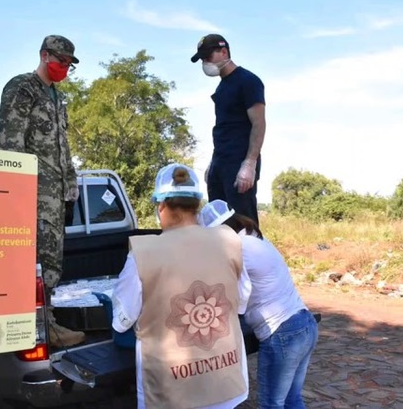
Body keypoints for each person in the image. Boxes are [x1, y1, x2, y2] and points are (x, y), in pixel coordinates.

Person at [111, 163, 251, 409]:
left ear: (161, 205)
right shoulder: (229, 240)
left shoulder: (143, 253)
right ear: (197, 205)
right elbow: (241, 303)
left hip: (170, 391)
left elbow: (122, 319)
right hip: (225, 383)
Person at [0, 34, 85, 348]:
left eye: (68, 64)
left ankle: (47, 325)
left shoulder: (58, 97)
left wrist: (71, 185)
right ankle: (41, 331)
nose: (64, 67)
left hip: (56, 195)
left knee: (52, 262)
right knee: (39, 265)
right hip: (33, 193)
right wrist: (17, 193)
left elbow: (64, 147)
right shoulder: (23, 87)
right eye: (61, 61)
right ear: (45, 55)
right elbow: (10, 142)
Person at [199, 199, 319, 409]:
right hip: (304, 323)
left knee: (271, 404)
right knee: (292, 400)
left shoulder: (237, 247)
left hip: (282, 332)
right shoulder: (256, 238)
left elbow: (242, 293)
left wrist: (225, 316)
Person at [190, 34, 266, 225]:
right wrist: (213, 163)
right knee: (218, 223)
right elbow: (224, 129)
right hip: (220, 162)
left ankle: (250, 256)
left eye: (208, 56)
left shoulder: (248, 81)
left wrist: (249, 163)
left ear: (224, 52)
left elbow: (259, 124)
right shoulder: (222, 87)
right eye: (202, 59)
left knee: (243, 223)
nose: (205, 62)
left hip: (239, 161)